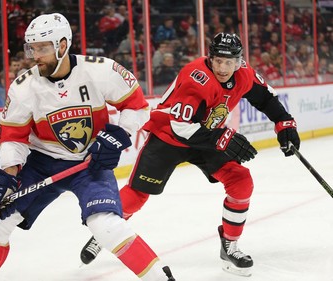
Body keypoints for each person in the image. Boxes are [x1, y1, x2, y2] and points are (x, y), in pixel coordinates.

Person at [0, 13, 175, 281]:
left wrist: (118, 135)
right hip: (42, 163)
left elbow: (137, 107)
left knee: (106, 226)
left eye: (42, 48)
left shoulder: (101, 70)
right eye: (32, 48)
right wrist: (9, 177)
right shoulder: (24, 87)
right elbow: (13, 136)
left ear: (63, 45)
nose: (35, 55)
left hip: (90, 163)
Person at [80, 32, 301, 277]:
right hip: (169, 136)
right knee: (139, 193)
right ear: (210, 58)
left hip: (205, 138)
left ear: (239, 61)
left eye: (229, 62)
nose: (223, 67)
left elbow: (266, 98)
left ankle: (230, 245)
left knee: (241, 181)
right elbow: (181, 127)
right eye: (218, 61)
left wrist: (285, 123)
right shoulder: (196, 77)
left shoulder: (245, 74)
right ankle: (106, 232)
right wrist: (222, 137)